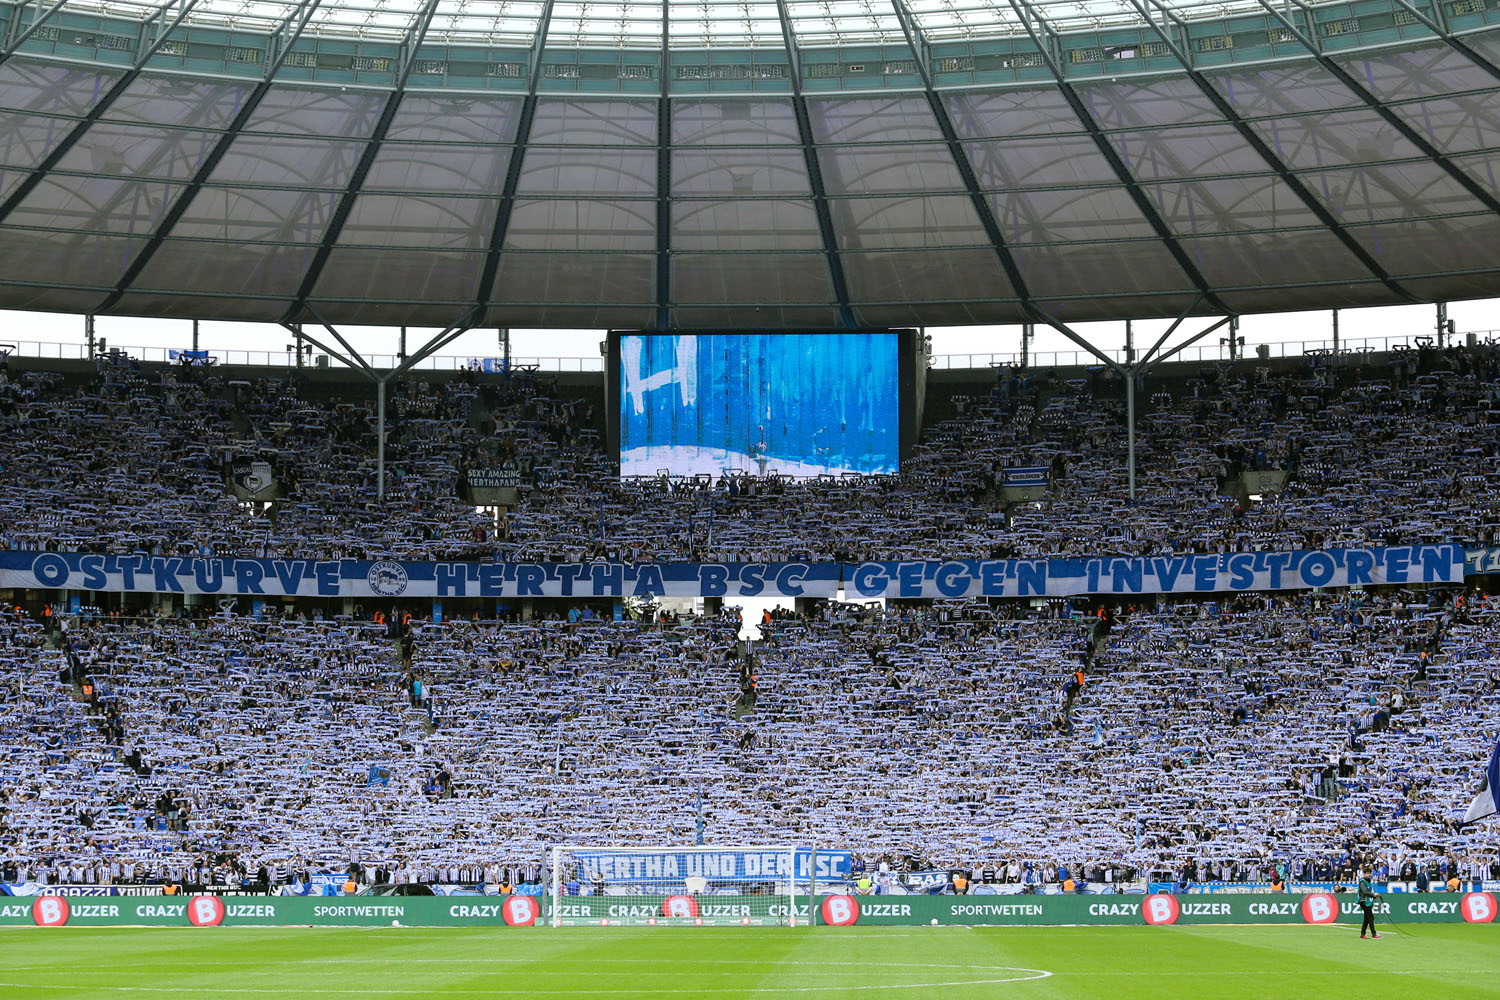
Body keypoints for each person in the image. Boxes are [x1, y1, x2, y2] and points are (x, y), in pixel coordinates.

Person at [1357, 869, 1380, 939]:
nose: (1369, 875)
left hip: (1368, 901)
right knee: (1370, 917)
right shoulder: (1362, 882)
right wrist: (1373, 895)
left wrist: (1374, 896)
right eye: (1367, 873)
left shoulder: (1369, 882)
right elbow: (1365, 892)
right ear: (1364, 874)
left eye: (1370, 873)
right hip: (1363, 901)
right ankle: (1374, 933)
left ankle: (1363, 934)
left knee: (1367, 918)